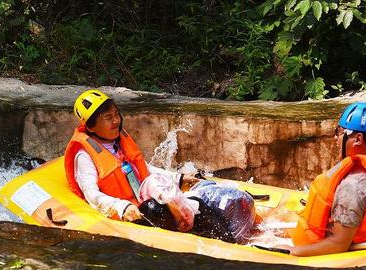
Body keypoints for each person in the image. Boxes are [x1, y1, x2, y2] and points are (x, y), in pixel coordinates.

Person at [63, 89, 198, 221]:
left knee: (194, 202)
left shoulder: (119, 141)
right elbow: (91, 194)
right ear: (91, 127)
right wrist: (122, 207)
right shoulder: (84, 157)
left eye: (116, 114)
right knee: (154, 204)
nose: (116, 121)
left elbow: (144, 169)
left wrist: (178, 178)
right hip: (131, 211)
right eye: (108, 118)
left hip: (144, 201)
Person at [288, 102, 366, 256]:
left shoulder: (352, 186)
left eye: (339, 132)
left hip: (320, 245)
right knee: (276, 218)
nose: (336, 138)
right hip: (320, 231)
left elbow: (338, 244)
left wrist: (292, 252)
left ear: (358, 139)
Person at [137, 173, 258, 244]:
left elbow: (167, 196)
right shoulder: (148, 197)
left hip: (228, 205)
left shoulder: (196, 216)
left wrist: (179, 216)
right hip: (204, 196)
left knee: (233, 241)